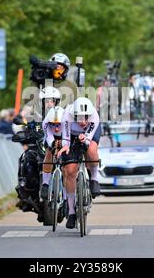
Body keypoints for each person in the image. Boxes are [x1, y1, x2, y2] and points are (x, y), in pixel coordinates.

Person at [58, 97, 101, 229]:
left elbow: (88, 141)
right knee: (70, 171)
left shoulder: (94, 116)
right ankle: (71, 212)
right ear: (73, 115)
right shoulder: (66, 115)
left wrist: (85, 138)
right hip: (71, 134)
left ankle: (94, 178)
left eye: (86, 118)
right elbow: (65, 138)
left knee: (91, 150)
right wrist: (65, 146)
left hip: (89, 135)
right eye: (79, 118)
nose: (83, 122)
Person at [40, 106, 65, 200]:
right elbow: (49, 138)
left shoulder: (68, 121)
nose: (57, 128)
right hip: (51, 137)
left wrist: (63, 144)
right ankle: (45, 184)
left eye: (59, 124)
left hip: (65, 136)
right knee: (49, 153)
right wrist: (53, 144)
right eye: (53, 124)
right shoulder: (45, 123)